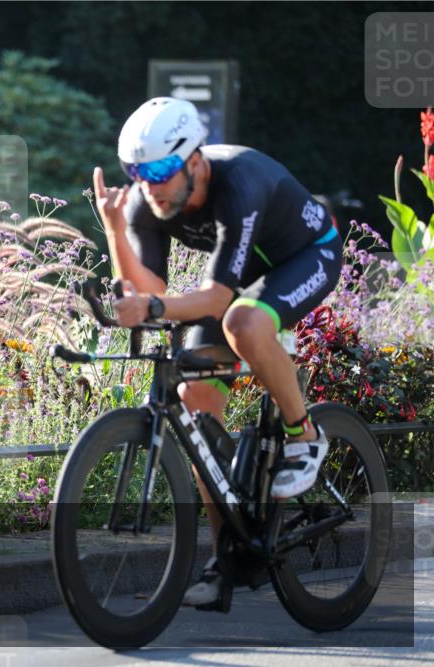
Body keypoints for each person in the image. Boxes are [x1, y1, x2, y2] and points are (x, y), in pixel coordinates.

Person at [92, 97, 342, 609]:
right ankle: (224, 559)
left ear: (195, 160)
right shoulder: (146, 201)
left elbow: (217, 299)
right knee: (195, 403)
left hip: (308, 253)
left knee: (243, 322)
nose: (151, 183)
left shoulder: (237, 183)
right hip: (244, 276)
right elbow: (150, 290)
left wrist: (154, 304)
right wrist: (116, 232)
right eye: (138, 172)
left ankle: (305, 434)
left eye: (162, 168)